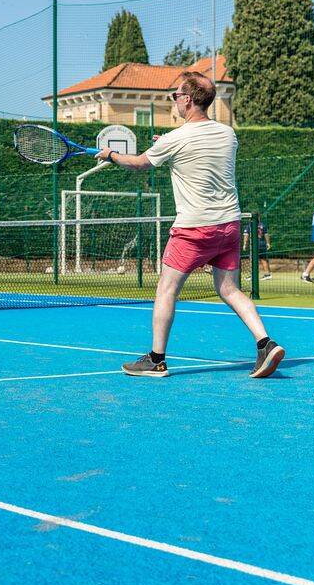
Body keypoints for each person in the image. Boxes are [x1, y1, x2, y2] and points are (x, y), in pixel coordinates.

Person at [95, 71, 284, 379]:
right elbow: (197, 155)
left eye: (176, 96)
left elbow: (140, 163)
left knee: (166, 290)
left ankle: (156, 359)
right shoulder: (227, 134)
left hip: (194, 229)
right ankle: (265, 343)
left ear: (189, 100)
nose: (175, 101)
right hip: (230, 225)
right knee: (230, 289)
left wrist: (112, 154)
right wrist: (165, 146)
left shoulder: (176, 139)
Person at [242, 214, 272, 280]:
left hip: (254, 245)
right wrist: (268, 243)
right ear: (259, 217)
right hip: (262, 245)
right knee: (263, 259)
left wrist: (244, 244)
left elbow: (246, 236)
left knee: (253, 260)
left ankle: (253, 275)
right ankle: (267, 274)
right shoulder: (263, 225)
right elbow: (266, 235)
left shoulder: (250, 225)